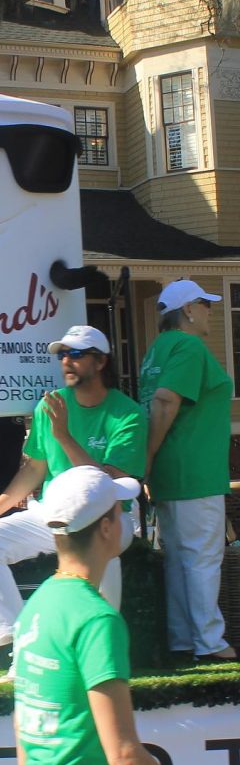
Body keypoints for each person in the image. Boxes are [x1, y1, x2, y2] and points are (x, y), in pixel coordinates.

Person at [12, 465, 239, 765]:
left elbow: (24, 723)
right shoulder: (96, 619)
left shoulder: (40, 604)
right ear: (108, 527)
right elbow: (125, 755)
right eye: (121, 510)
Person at [0, 325, 146, 675]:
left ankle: (99, 659)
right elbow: (34, 470)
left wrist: (64, 436)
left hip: (108, 520)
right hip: (51, 516)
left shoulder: (128, 414)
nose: (66, 361)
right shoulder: (50, 405)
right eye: (62, 355)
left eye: (75, 354)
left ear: (100, 362)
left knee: (103, 573)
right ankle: (24, 645)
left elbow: (105, 484)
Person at [139, 279, 235, 662]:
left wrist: (148, 462)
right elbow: (165, 401)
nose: (210, 311)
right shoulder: (190, 345)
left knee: (180, 560)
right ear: (189, 310)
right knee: (202, 560)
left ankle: (183, 642)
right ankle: (211, 645)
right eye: (205, 304)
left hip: (169, 474)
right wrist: (147, 457)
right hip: (195, 472)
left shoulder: (156, 350)